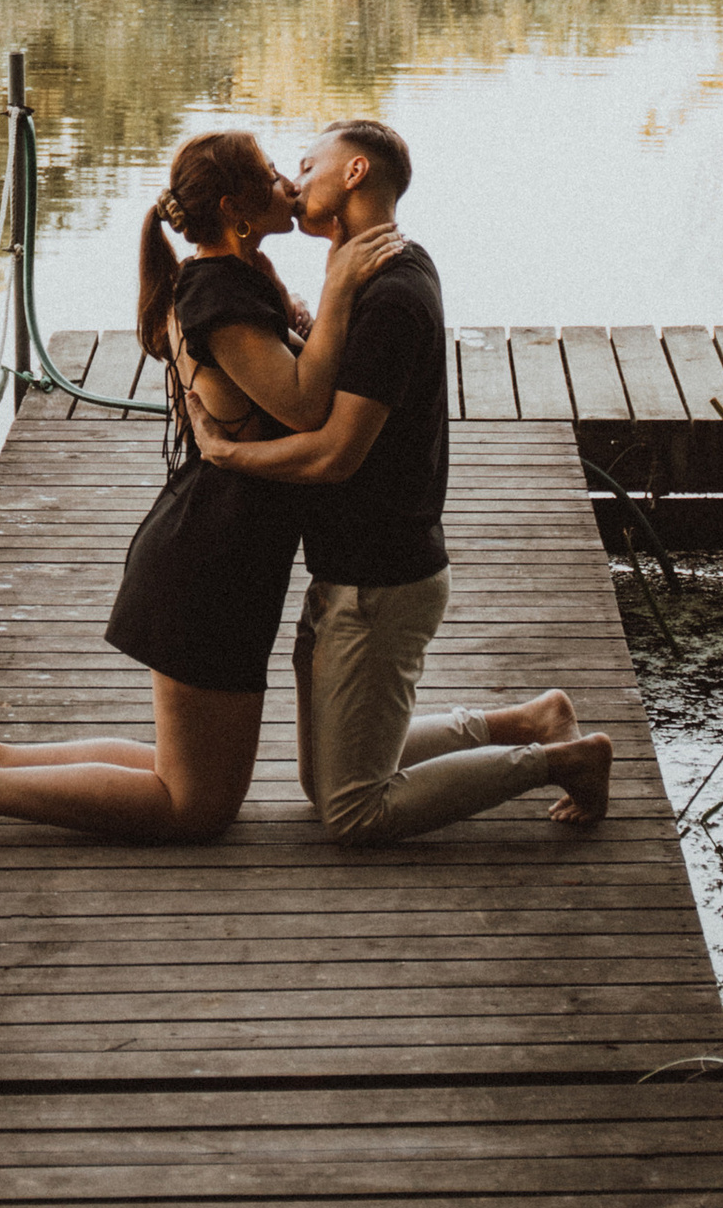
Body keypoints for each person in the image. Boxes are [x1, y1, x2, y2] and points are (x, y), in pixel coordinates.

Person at [0, 129, 400, 842]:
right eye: (275, 174)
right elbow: (304, 406)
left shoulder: (232, 281)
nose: (290, 185)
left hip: (224, 549)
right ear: (235, 208)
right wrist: (340, 287)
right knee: (195, 807)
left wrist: (319, 298)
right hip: (212, 560)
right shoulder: (219, 297)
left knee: (180, 775)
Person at [192, 117, 612, 844]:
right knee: (323, 783)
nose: (293, 182)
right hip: (348, 567)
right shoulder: (370, 268)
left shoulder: (390, 292)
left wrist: (227, 456)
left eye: (308, 165)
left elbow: (335, 455)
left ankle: (561, 760)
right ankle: (532, 720)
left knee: (353, 811)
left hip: (380, 579)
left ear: (354, 172)